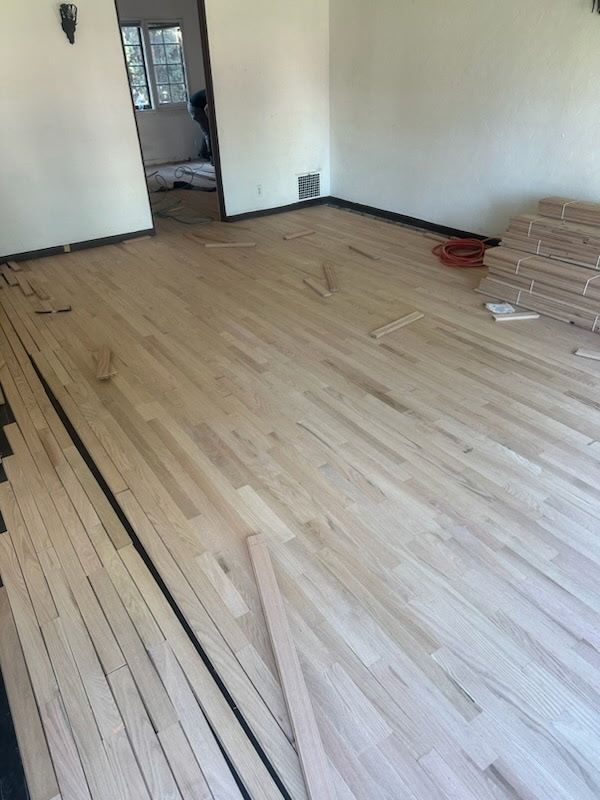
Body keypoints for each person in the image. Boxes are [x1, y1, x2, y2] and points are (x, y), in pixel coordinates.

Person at [188, 89, 212, 163]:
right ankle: (212, 157)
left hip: (195, 106)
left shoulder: (211, 91)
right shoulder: (211, 93)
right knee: (209, 132)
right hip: (195, 108)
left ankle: (203, 153)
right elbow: (208, 108)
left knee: (208, 130)